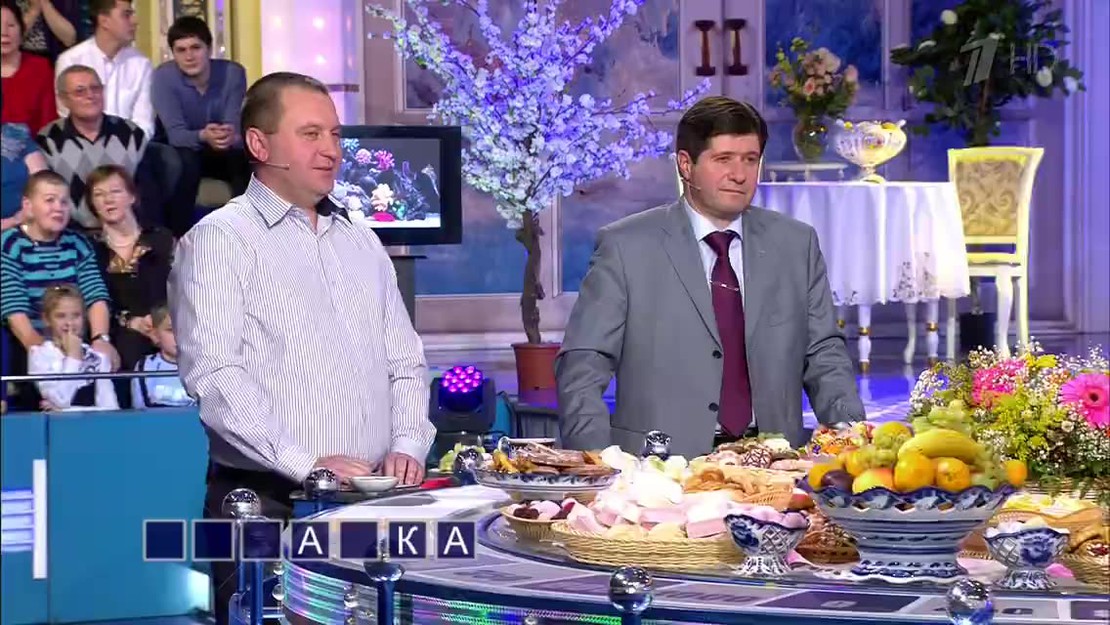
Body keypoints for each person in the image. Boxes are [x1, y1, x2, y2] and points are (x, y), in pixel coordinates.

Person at [168, 72, 434, 625]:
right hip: (266, 505)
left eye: (335, 134)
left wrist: (408, 444)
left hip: (373, 501)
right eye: (311, 134)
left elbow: (405, 361)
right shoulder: (219, 241)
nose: (331, 150)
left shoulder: (363, 240)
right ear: (259, 145)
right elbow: (215, 376)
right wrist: (307, 465)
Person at [556, 96, 864, 457]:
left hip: (774, 463)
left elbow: (823, 352)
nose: (740, 174)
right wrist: (596, 460)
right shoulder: (625, 246)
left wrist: (852, 436)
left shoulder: (796, 244)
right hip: (660, 467)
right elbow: (584, 362)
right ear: (686, 165)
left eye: (750, 159)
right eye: (724, 159)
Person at [1, 170, 118, 408]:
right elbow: (13, 304)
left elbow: (95, 296)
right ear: (28, 206)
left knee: (106, 358)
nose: (59, 208)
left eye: (64, 202)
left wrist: (100, 339)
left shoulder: (78, 243)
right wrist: (40, 350)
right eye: (50, 200)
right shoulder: (10, 244)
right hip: (29, 340)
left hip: (74, 334)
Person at [151, 15, 249, 236]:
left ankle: (247, 234)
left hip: (222, 148)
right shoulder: (164, 77)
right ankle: (179, 237)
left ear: (209, 49)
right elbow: (176, 135)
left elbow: (233, 126)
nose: (189, 56)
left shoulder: (233, 73)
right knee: (186, 162)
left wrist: (228, 136)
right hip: (181, 147)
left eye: (196, 48)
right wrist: (204, 135)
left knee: (243, 159)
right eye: (181, 50)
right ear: (173, 53)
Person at [37, 64, 148, 228]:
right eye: (80, 91)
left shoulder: (131, 133)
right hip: (71, 233)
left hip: (126, 229)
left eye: (96, 88)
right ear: (63, 99)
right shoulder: (48, 139)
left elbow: (147, 193)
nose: (90, 95)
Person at [86, 164, 173, 370]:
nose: (108, 199)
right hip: (120, 331)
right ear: (92, 204)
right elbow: (95, 300)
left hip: (166, 323)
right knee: (129, 345)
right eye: (99, 194)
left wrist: (158, 319)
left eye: (115, 191)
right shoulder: (92, 248)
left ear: (132, 197)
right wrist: (132, 322)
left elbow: (180, 287)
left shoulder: (160, 238)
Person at [28, 283, 119, 410]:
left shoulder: (98, 357)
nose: (69, 323)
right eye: (61, 316)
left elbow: (110, 407)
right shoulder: (39, 355)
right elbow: (61, 400)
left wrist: (66, 410)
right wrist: (73, 357)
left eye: (76, 315)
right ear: (47, 319)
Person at [2, 1, 57, 134]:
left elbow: (49, 125)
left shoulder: (40, 68)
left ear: (21, 30)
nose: (4, 32)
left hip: (33, 145)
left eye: (11, 25)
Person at [130, 304, 192, 409]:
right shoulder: (144, 366)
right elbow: (140, 411)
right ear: (155, 335)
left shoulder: (210, 364)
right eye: (171, 330)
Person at [2, 119, 48, 229]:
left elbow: (44, 183)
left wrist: (24, 216)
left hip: (28, 225)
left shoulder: (15, 133)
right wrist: (12, 221)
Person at [13, 0, 81, 63]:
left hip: (55, 58)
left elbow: (70, 40)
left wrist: (44, 3)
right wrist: (34, 9)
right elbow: (12, 37)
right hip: (19, 58)